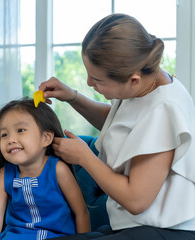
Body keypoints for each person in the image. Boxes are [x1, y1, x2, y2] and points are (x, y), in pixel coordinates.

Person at [39, 13, 195, 240]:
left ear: (133, 80)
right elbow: (125, 125)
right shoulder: (147, 83)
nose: (89, 83)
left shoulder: (165, 109)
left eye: (98, 80)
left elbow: (136, 200)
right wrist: (73, 97)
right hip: (137, 227)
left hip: (166, 231)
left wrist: (85, 157)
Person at [0, 98, 90, 240]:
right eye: (4, 134)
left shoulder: (58, 170)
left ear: (46, 138)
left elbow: (81, 213)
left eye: (20, 130)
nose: (11, 139)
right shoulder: (3, 175)